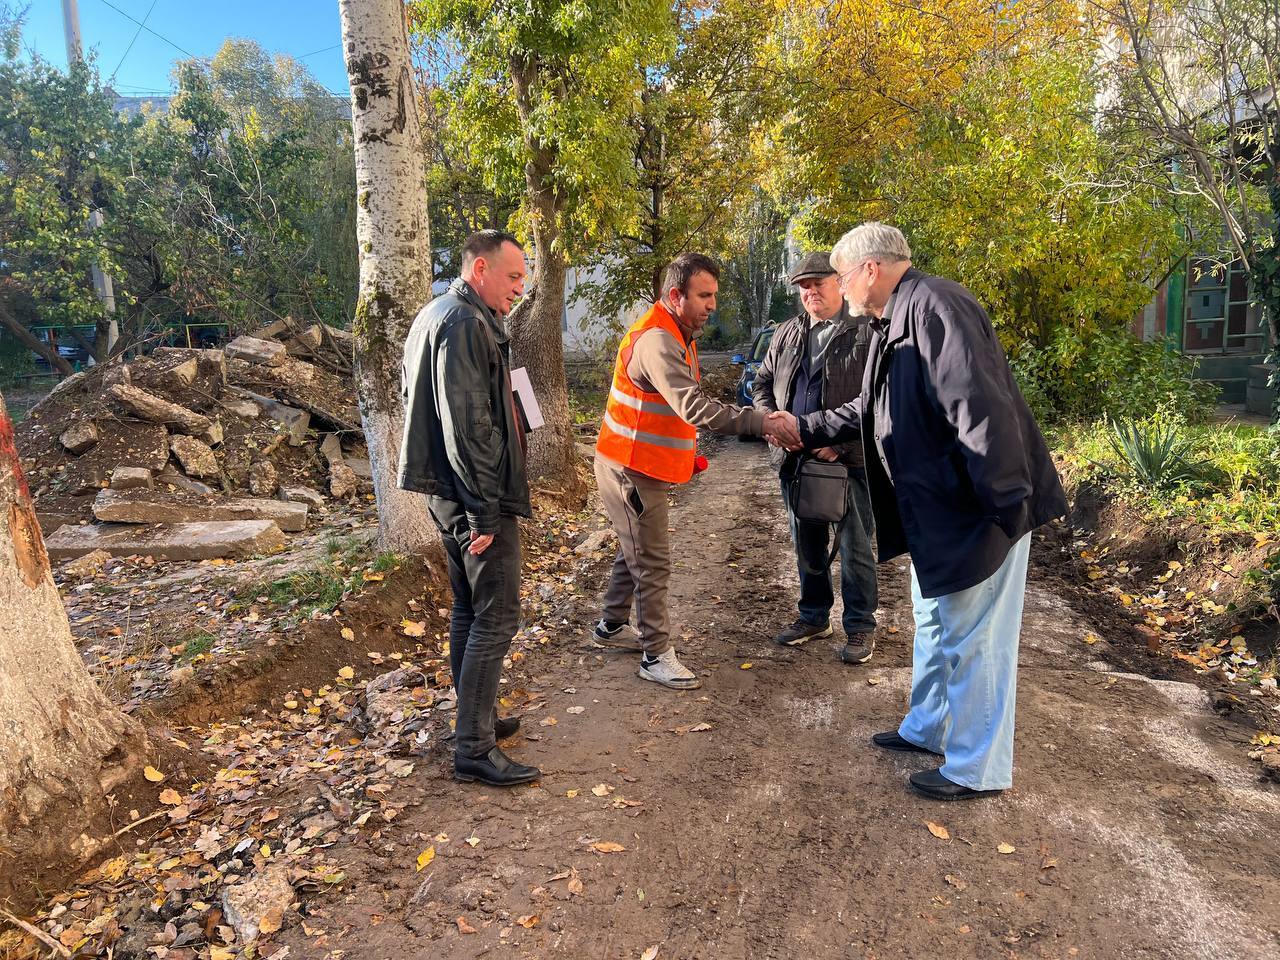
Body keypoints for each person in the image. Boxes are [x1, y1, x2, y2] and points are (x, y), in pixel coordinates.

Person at [766, 223, 1067, 800]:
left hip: (976, 510)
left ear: (869, 270)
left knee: (975, 638)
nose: (842, 288)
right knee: (934, 624)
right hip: (939, 511)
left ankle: (976, 768)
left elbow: (979, 408)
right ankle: (929, 727)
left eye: (843, 275)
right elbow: (868, 406)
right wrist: (803, 428)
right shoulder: (893, 320)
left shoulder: (937, 309)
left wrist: (1005, 505)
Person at [592, 252, 795, 689]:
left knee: (636, 548)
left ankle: (610, 626)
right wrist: (762, 422)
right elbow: (693, 406)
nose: (712, 304)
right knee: (652, 560)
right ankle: (655, 655)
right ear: (674, 295)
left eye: (714, 295)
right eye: (704, 295)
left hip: (633, 463)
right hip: (630, 468)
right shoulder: (659, 341)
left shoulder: (676, 331)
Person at [399, 229, 538, 788]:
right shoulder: (460, 323)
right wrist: (483, 510)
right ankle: (474, 746)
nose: (520, 287)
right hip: (472, 494)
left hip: (451, 491)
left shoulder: (447, 313)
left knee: (470, 608)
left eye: (524, 277)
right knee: (498, 614)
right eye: (513, 276)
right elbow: (467, 427)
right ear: (480, 269)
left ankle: (473, 719)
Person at [752, 251, 878, 663]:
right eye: (803, 287)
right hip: (795, 460)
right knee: (806, 541)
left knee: (855, 547)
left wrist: (838, 443)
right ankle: (814, 615)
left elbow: (877, 399)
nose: (810, 293)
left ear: (839, 282)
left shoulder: (867, 330)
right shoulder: (787, 332)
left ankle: (860, 627)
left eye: (817, 284)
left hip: (848, 460)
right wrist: (772, 422)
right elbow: (763, 381)